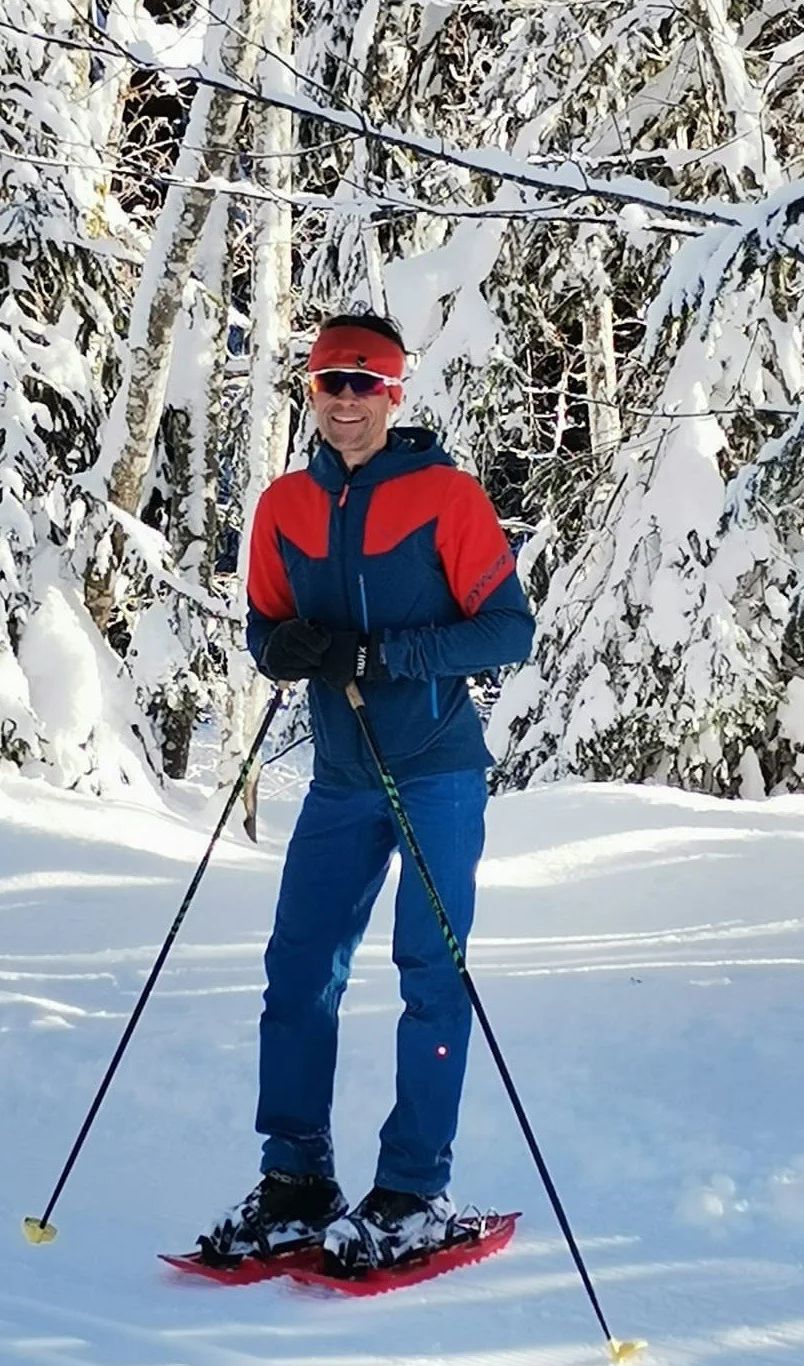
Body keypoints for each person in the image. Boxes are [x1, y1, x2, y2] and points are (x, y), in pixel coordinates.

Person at [202, 311, 535, 1272]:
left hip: (435, 770)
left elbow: (507, 631)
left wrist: (386, 653)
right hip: (342, 778)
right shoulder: (283, 505)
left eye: (364, 382)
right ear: (311, 393)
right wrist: (286, 649)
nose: (345, 400)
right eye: (328, 382)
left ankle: (412, 1190)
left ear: (395, 393)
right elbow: (265, 628)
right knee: (299, 971)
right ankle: (297, 1180)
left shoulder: (446, 496)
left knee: (431, 979)